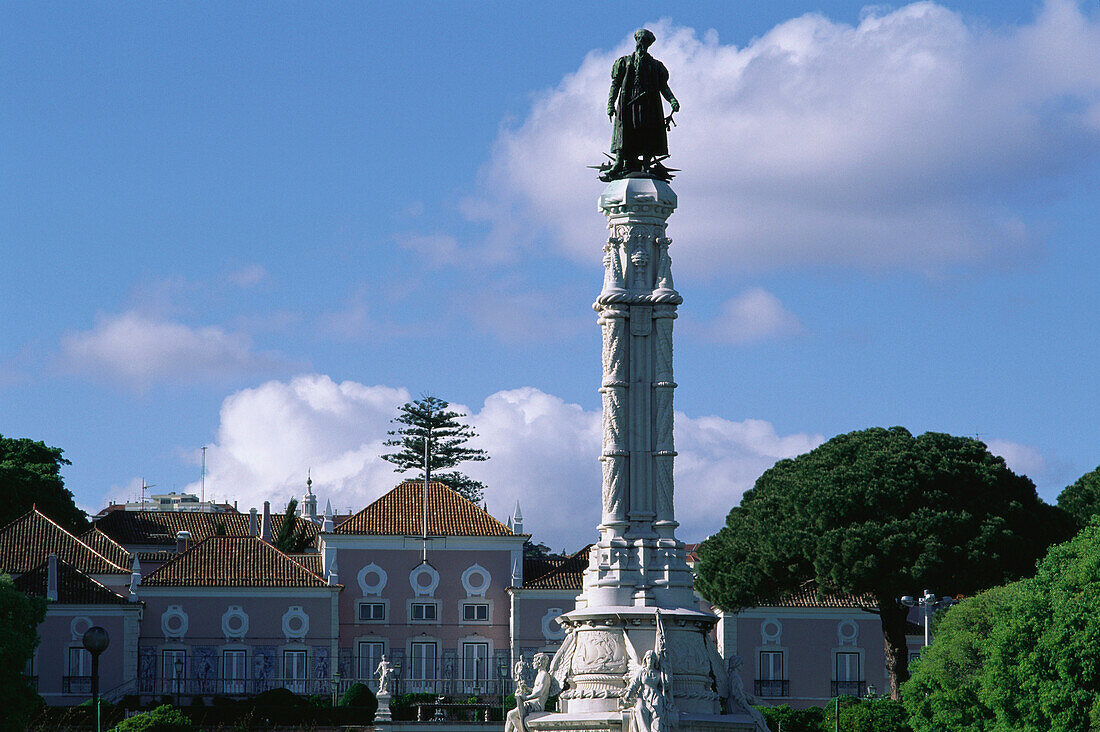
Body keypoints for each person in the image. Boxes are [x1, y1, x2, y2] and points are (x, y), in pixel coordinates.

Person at [605, 29, 680, 180]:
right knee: (625, 130)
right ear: (636, 40)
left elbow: (663, 86)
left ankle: (646, 164)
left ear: (649, 44)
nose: (642, 43)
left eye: (645, 40)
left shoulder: (656, 66)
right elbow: (615, 85)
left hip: (649, 103)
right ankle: (619, 162)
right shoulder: (624, 62)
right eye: (640, 39)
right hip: (628, 102)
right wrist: (610, 104)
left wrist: (672, 99)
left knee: (648, 131)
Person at [620, 650, 674, 732]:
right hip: (643, 696)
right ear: (645, 659)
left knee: (657, 715)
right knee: (640, 709)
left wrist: (666, 670)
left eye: (652, 659)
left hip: (656, 696)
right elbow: (635, 684)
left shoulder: (658, 673)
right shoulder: (642, 672)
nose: (650, 661)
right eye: (648, 658)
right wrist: (629, 694)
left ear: (655, 661)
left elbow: (666, 685)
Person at [505, 653, 553, 732]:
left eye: (534, 661)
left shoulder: (544, 675)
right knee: (510, 717)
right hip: (532, 703)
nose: (532, 663)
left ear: (539, 662)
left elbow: (539, 692)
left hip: (536, 705)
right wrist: (527, 689)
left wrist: (526, 698)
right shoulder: (539, 674)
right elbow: (535, 690)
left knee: (511, 714)